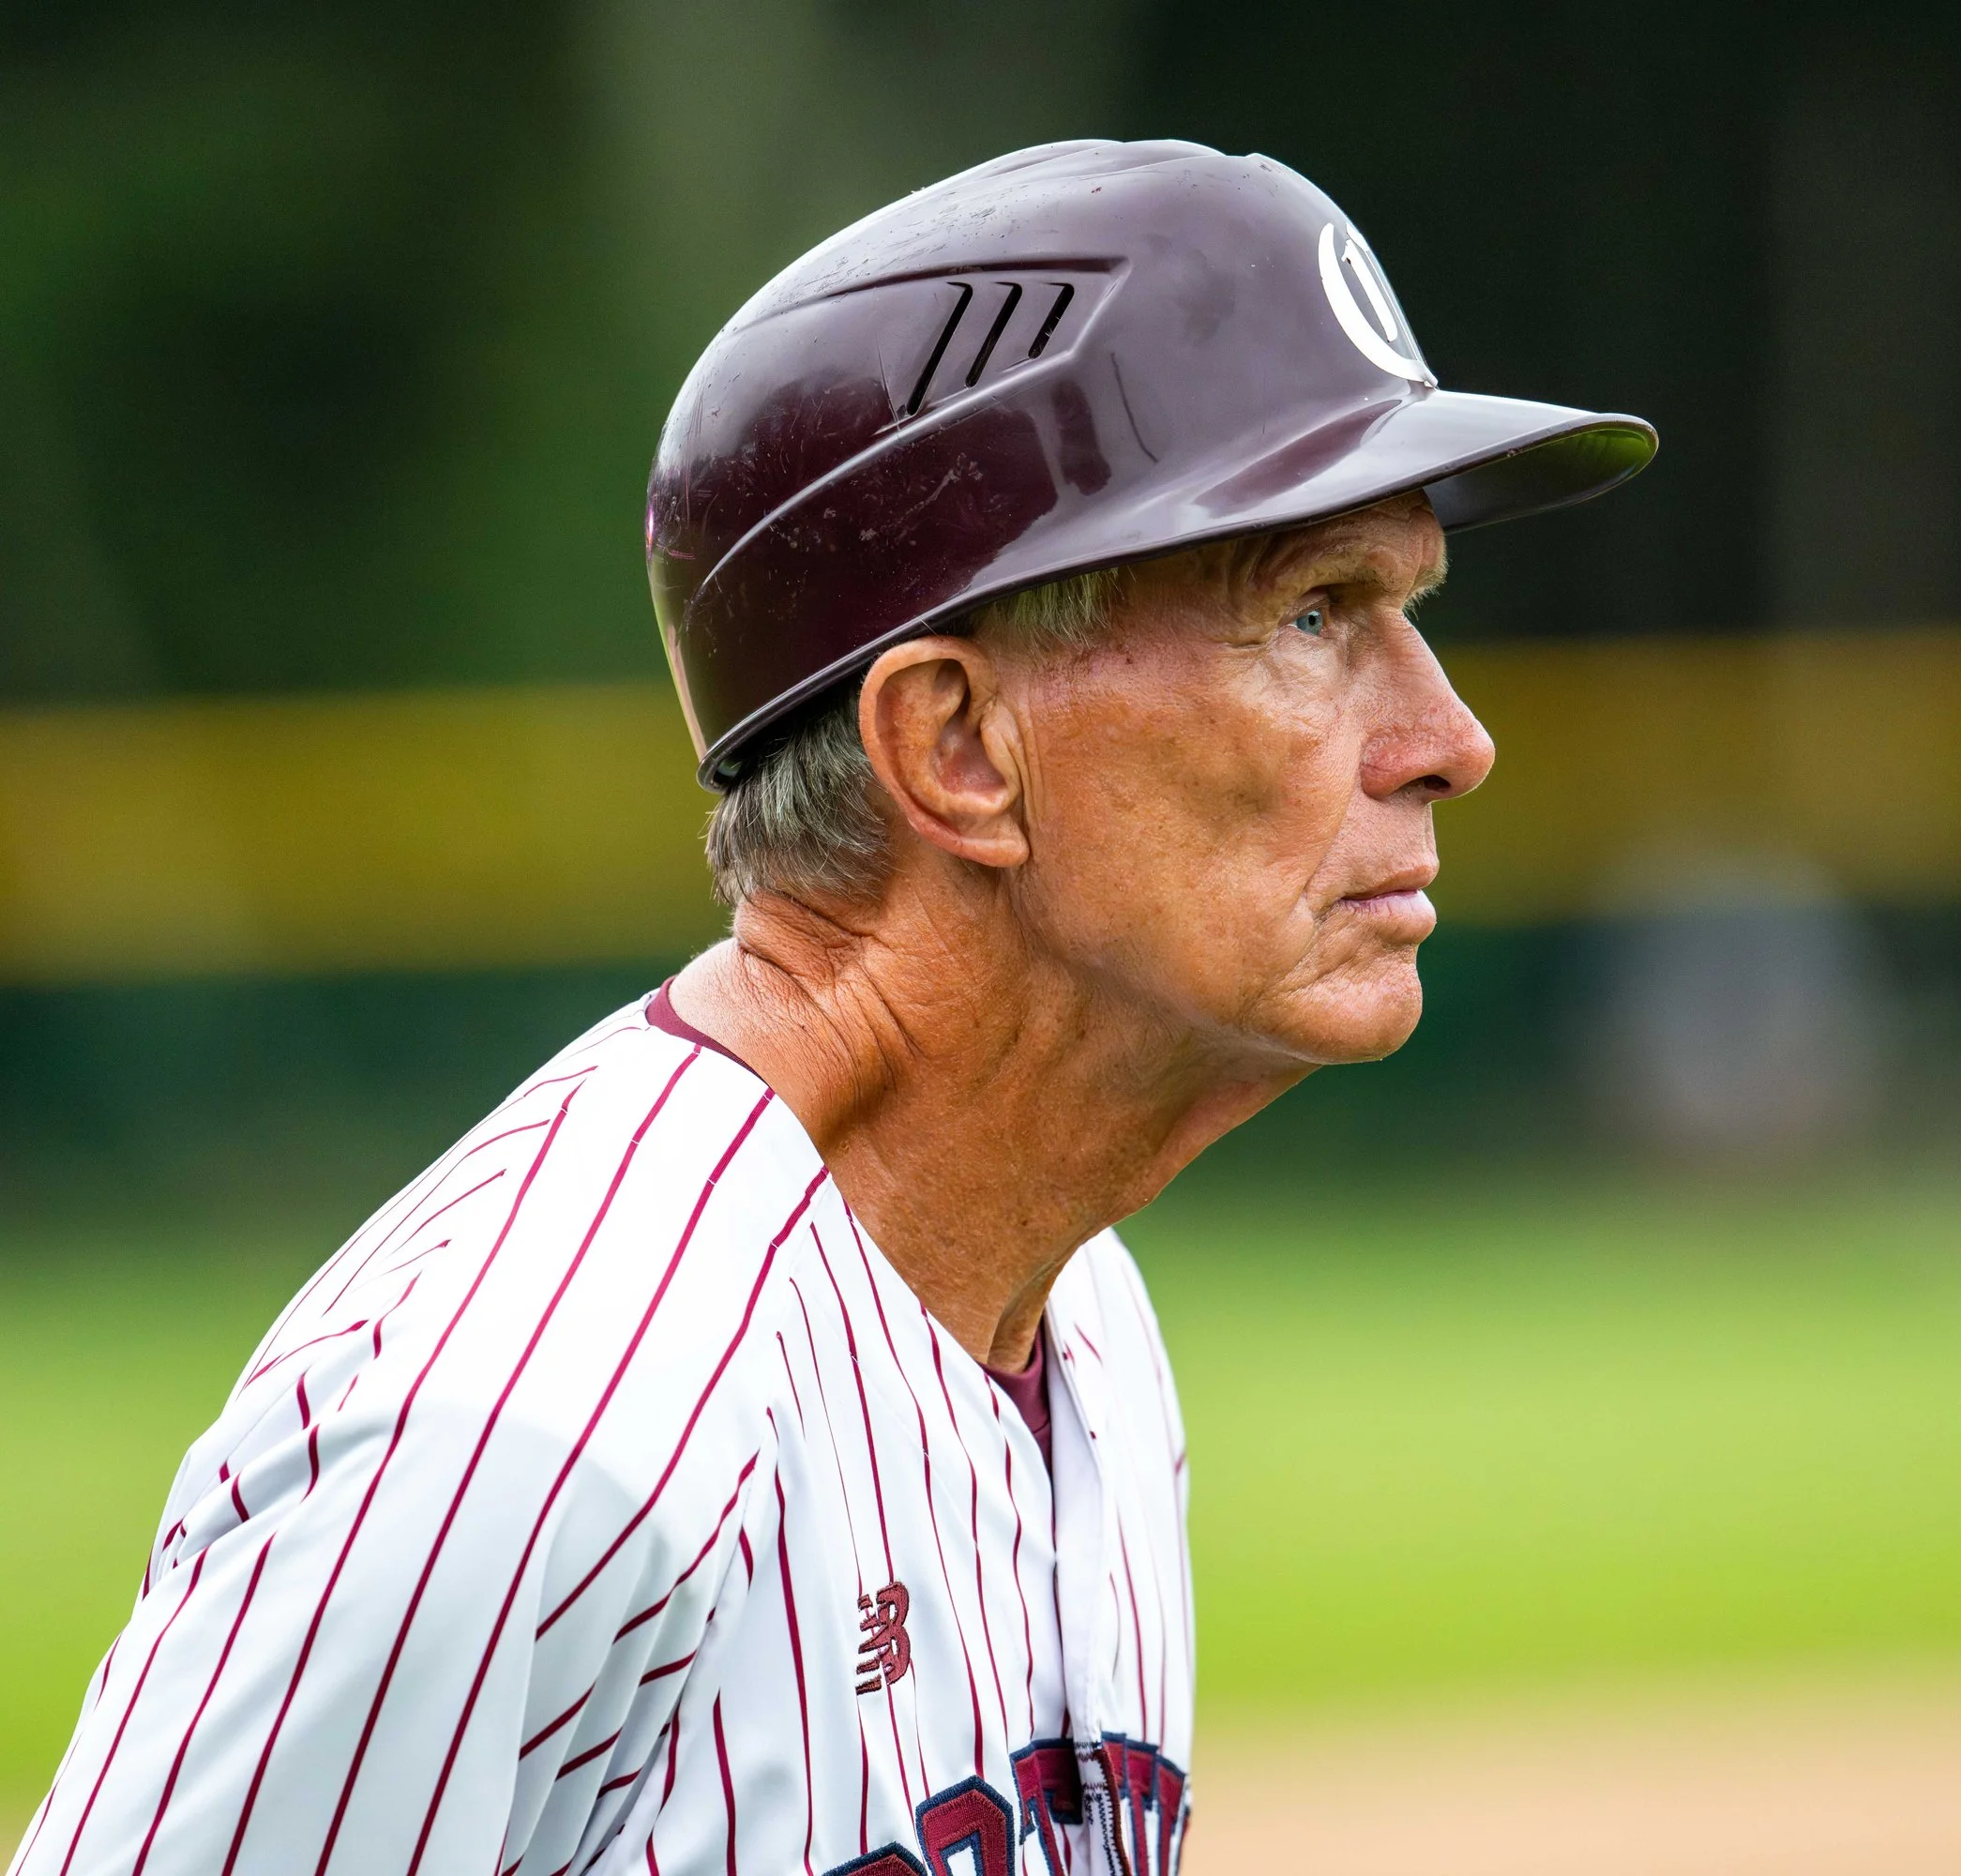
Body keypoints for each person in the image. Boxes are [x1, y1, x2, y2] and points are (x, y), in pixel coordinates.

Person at [14, 140, 1652, 1876]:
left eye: (1409, 613)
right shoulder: (517, 1421)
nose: (1450, 740)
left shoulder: (1077, 1315)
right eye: (1315, 612)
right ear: (955, 748)